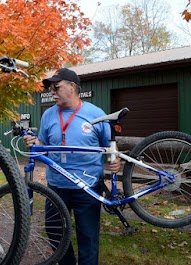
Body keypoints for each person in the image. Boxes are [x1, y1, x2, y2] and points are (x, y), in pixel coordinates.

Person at [23, 68, 121, 265]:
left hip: (88, 186)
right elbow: (43, 145)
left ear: (72, 87)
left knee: (88, 237)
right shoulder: (48, 115)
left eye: (56, 87)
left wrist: (115, 159)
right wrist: (34, 144)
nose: (52, 92)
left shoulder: (95, 114)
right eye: (50, 88)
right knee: (54, 231)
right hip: (56, 187)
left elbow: (109, 145)